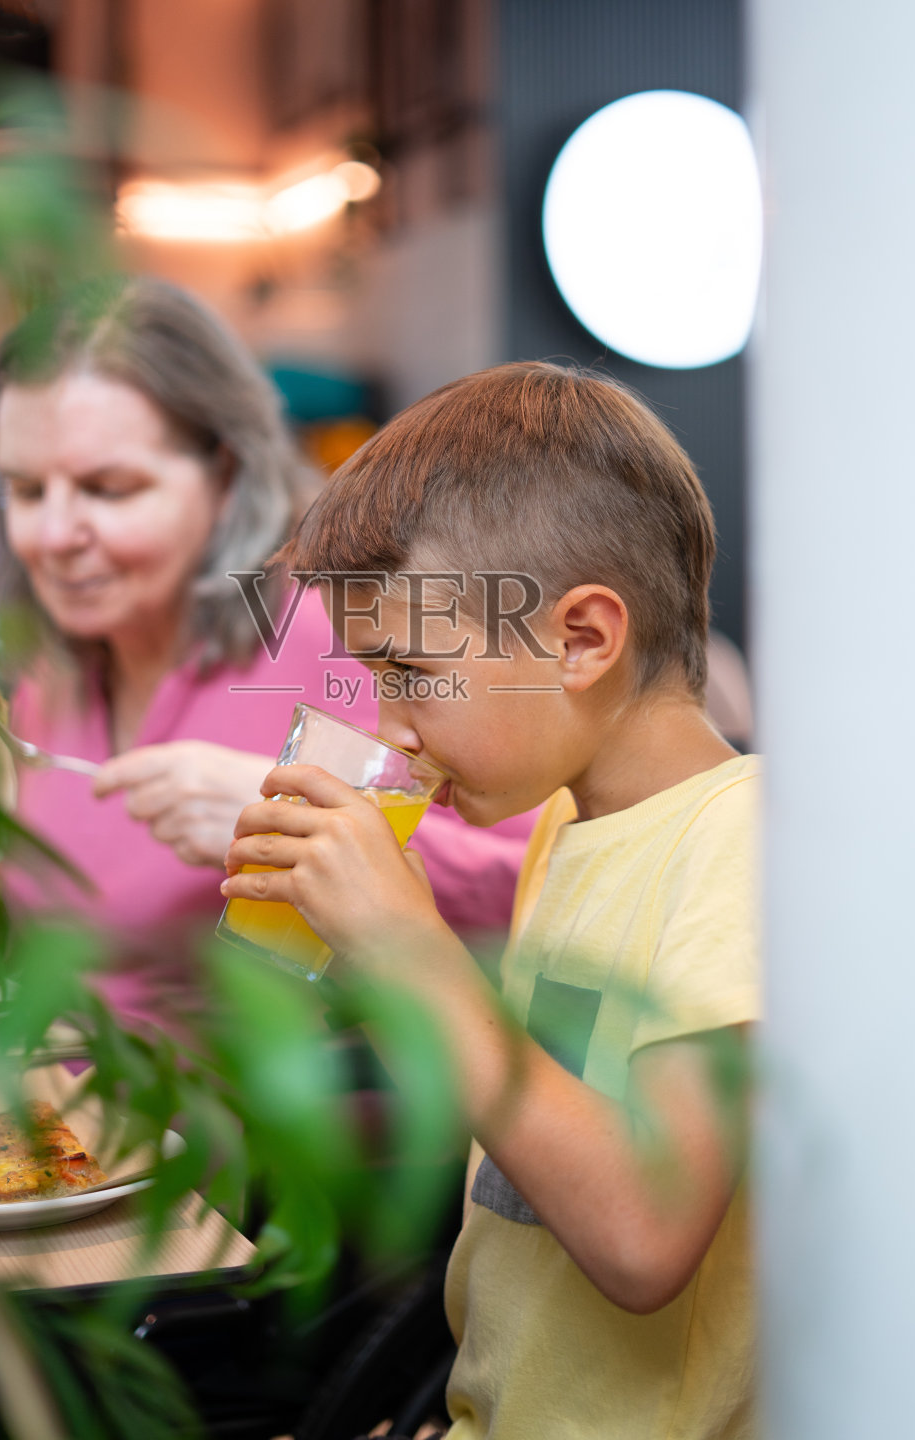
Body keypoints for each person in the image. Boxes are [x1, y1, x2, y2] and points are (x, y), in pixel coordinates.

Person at [224, 363, 760, 1439]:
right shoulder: (569, 826)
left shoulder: (744, 842)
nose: (393, 725)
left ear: (580, 639)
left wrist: (415, 954)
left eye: (410, 674)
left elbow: (643, 1235)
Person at [0, 279, 533, 1023]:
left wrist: (308, 839)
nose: (52, 535)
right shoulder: (60, 666)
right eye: (26, 491)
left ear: (225, 474)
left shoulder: (349, 639)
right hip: (73, 1120)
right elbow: (110, 931)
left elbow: (546, 897)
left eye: (108, 489)